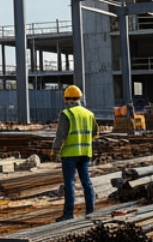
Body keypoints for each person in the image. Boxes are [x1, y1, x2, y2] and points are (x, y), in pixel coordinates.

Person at [51, 84, 97, 220]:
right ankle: (90, 211)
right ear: (80, 98)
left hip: (69, 154)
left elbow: (60, 136)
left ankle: (68, 214)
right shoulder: (89, 114)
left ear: (66, 99)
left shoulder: (66, 114)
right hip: (85, 153)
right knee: (86, 182)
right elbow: (95, 133)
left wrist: (54, 151)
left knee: (70, 183)